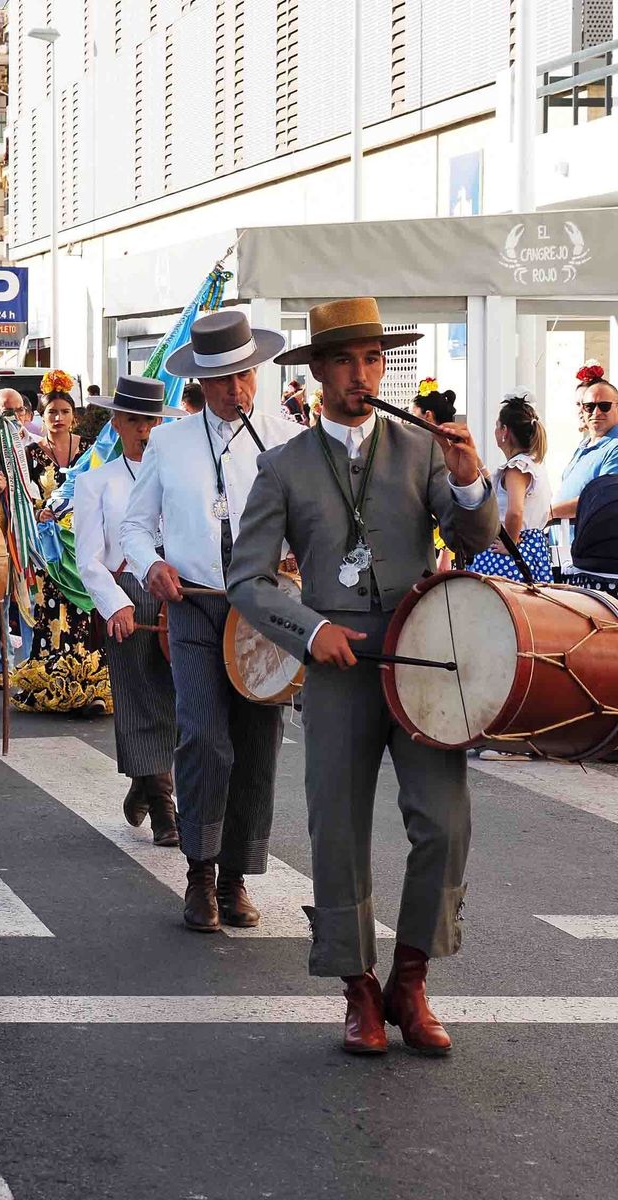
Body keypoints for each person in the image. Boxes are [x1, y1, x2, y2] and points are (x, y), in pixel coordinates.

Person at [230, 297, 498, 1056]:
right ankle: (358, 989)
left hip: (423, 663)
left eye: (374, 358)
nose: (362, 374)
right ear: (317, 372)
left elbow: (477, 538)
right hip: (338, 668)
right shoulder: (281, 466)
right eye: (346, 360)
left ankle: (410, 981)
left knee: (444, 822)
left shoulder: (422, 449)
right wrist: (311, 630)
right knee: (337, 828)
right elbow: (248, 580)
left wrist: (472, 475)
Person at [120, 309, 305, 932]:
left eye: (245, 375)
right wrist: (151, 566)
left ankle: (234, 879)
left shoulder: (283, 438)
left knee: (259, 743)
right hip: (195, 605)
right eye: (223, 379)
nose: (236, 389)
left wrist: (300, 556)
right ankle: (199, 871)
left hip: (264, 612)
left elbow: (309, 525)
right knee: (204, 737)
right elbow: (136, 527)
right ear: (202, 381)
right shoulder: (170, 442)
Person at [74, 376, 180, 848]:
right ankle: (163, 806)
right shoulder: (96, 481)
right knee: (140, 698)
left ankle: (145, 779)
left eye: (152, 419)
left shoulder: (180, 476)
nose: (144, 429)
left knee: (182, 701)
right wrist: (114, 603)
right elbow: (87, 558)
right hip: (129, 596)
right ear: (116, 423)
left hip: (182, 594)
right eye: (134, 420)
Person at [5, 371, 110, 714]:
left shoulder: (91, 451)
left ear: (73, 416)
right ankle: (52, 679)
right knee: (51, 610)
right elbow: (23, 497)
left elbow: (100, 489)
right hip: (48, 546)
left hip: (84, 541)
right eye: (52, 413)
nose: (58, 418)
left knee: (86, 609)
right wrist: (37, 512)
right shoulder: (30, 454)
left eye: (64, 412)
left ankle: (90, 683)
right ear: (42, 416)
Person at [467, 392, 552, 583]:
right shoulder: (531, 464)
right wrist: (476, 461)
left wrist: (511, 544)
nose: (495, 431)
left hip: (514, 548)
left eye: (497, 426)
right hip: (532, 545)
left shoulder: (516, 469)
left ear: (504, 431)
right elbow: (501, 493)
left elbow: (515, 511)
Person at [552, 363, 618, 522]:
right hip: (565, 542)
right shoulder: (584, 446)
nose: (596, 412)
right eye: (589, 406)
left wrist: (550, 512)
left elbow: (603, 498)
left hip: (591, 543)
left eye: (604, 406)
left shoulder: (615, 447)